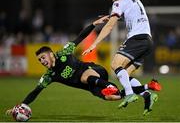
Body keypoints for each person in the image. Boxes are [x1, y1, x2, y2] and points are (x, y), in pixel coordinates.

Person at [6, 22, 161, 117]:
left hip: (95, 70)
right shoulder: (49, 76)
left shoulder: (64, 52)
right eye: (39, 60)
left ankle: (109, 86)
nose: (42, 61)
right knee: (113, 98)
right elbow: (34, 92)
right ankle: (147, 88)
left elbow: (80, 38)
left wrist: (94, 25)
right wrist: (20, 106)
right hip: (92, 86)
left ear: (51, 54)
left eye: (43, 57)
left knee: (83, 76)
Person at [82, 0, 154, 109]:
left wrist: (94, 44)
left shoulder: (118, 3)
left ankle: (129, 94)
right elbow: (130, 15)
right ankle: (147, 94)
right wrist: (111, 16)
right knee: (125, 73)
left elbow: (109, 27)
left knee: (115, 64)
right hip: (148, 41)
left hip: (137, 38)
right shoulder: (135, 0)